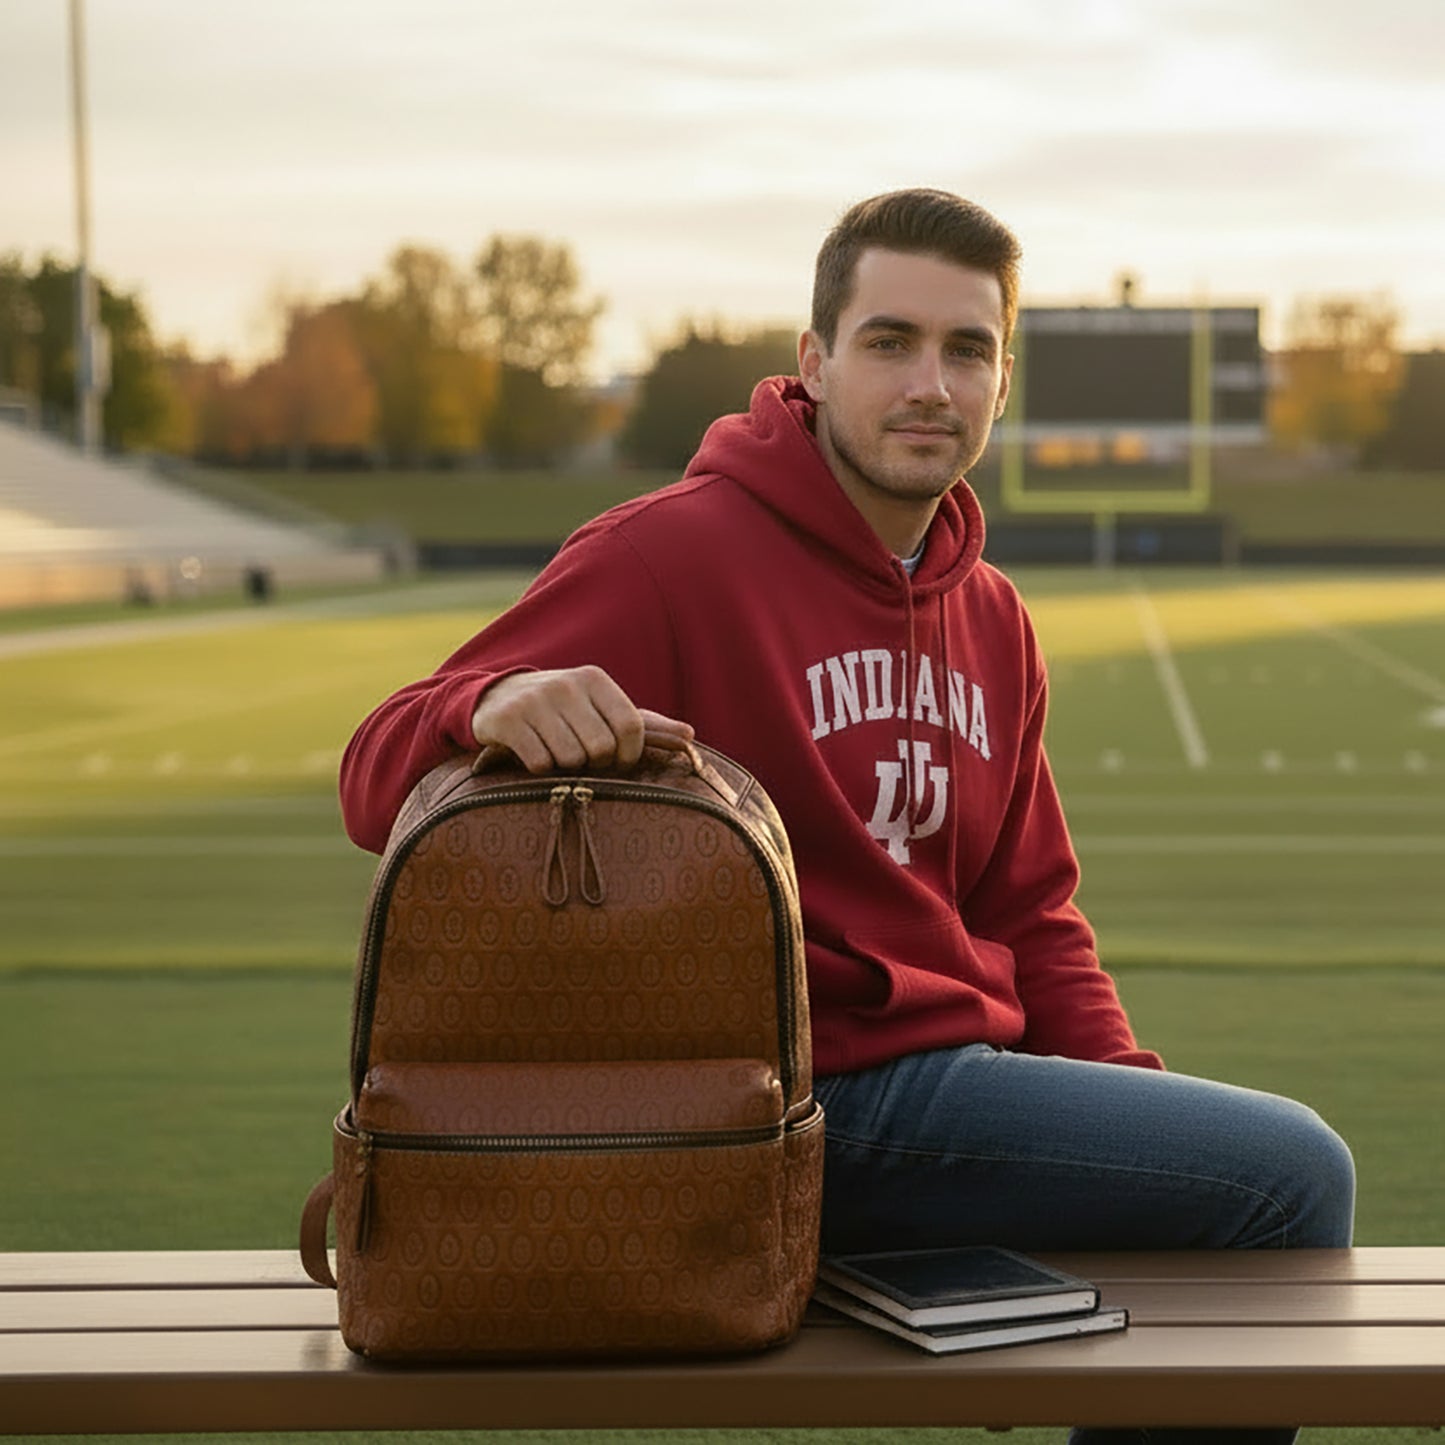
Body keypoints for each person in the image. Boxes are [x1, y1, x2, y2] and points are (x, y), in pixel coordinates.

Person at [340, 189, 1354, 1445]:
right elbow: (372, 764)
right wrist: (492, 699)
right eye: (889, 342)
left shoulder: (993, 617)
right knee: (1295, 1174)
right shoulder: (670, 553)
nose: (929, 382)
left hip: (951, 1095)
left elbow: (1031, 914)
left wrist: (1123, 1132)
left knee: (1230, 1188)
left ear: (1001, 380)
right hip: (796, 1098)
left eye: (966, 349)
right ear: (813, 363)